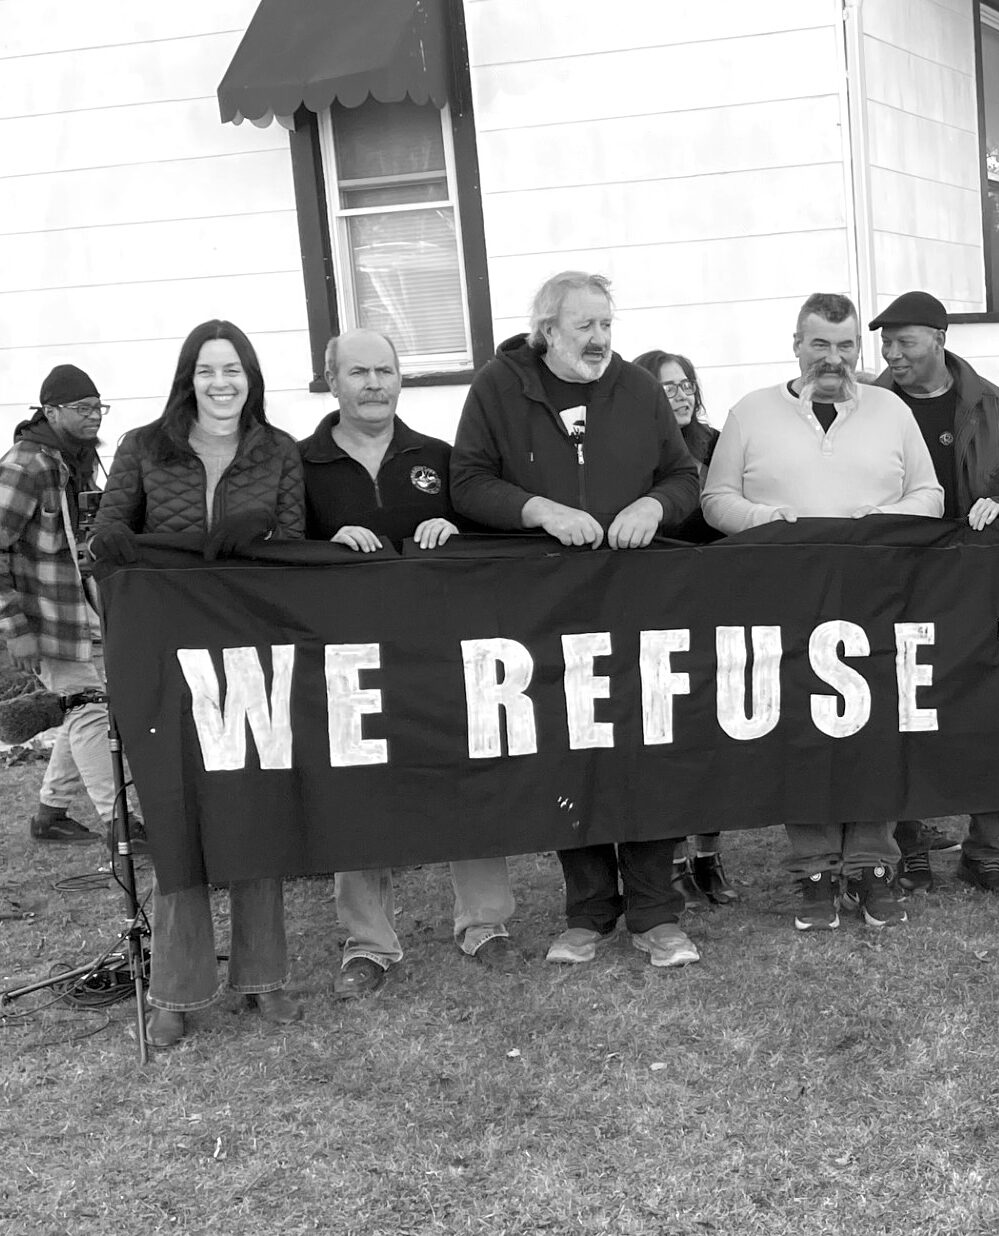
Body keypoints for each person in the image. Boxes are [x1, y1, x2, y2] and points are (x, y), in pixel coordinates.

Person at [451, 271, 703, 969]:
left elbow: (683, 476)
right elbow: (468, 481)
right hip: (547, 606)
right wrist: (541, 510)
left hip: (637, 603)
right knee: (571, 746)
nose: (599, 339)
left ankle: (656, 912)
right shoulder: (499, 388)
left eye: (606, 325)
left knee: (649, 748)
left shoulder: (639, 389)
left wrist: (654, 507)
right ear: (547, 330)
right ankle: (588, 910)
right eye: (584, 326)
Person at [91, 319, 305, 1047]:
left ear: (251, 379)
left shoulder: (278, 451)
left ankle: (263, 976)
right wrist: (113, 544)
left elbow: (297, 543)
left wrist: (267, 536)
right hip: (169, 653)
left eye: (234, 370)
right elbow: (108, 528)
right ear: (189, 377)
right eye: (209, 370)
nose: (222, 383)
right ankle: (178, 989)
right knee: (178, 812)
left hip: (251, 648)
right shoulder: (143, 448)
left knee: (255, 805)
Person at [702, 291, 943, 931]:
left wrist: (881, 522)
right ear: (796, 345)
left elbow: (931, 494)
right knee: (801, 733)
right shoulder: (750, 412)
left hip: (878, 601)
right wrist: (767, 521)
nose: (832, 359)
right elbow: (715, 499)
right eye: (819, 345)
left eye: (843, 346)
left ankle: (871, 864)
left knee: (874, 731)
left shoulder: (890, 410)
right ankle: (813, 868)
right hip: (784, 602)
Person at [299, 327, 518, 993]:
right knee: (358, 791)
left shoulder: (442, 458)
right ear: (332, 381)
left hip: (437, 657)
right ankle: (368, 944)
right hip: (347, 662)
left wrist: (458, 532)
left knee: (465, 772)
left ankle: (486, 923)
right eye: (359, 373)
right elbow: (272, 550)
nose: (374, 384)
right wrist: (323, 544)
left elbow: (490, 541)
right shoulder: (299, 464)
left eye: (386, 371)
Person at [869, 290, 999, 894]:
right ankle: (909, 844)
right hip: (899, 578)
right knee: (903, 708)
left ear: (940, 340)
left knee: (988, 705)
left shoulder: (991, 404)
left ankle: (986, 848)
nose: (893, 354)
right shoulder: (868, 405)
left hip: (979, 578)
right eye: (887, 344)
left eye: (906, 343)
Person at [0, 365, 145, 851]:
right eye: (81, 409)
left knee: (85, 703)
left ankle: (51, 814)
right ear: (50, 411)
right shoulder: (25, 466)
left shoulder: (74, 460)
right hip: (45, 619)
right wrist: (14, 628)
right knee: (89, 709)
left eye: (97, 408)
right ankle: (123, 825)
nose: (93, 418)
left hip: (83, 612)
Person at [629, 348, 737, 906]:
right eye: (667, 386)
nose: (681, 393)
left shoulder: (717, 445)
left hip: (714, 604)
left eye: (687, 383)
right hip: (657, 609)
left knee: (715, 731)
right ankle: (669, 861)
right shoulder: (635, 450)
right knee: (668, 734)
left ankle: (708, 855)